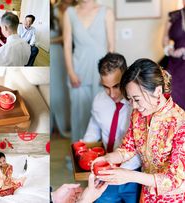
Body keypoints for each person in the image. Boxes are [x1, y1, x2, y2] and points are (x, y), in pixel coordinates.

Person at [92, 58, 185, 202]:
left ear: (158, 91)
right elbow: (128, 148)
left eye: (137, 99)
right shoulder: (139, 114)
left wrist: (129, 176)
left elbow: (176, 179)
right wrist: (107, 158)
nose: (133, 106)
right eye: (130, 99)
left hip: (173, 198)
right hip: (146, 195)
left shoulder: (179, 123)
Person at [83, 53, 141, 203]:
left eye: (116, 86)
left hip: (133, 173)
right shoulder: (99, 101)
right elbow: (94, 129)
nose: (112, 93)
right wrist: (83, 151)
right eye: (106, 87)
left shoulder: (138, 104)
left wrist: (122, 172)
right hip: (106, 171)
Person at [63, 0, 115, 142]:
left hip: (101, 69)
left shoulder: (107, 12)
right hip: (78, 67)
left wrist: (107, 72)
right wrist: (71, 72)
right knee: (79, 114)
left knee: (101, 112)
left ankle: (101, 155)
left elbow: (111, 46)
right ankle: (78, 155)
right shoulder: (70, 13)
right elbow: (67, 45)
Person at [50, 0, 75, 136]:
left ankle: (61, 124)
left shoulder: (56, 13)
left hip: (56, 53)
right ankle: (51, 125)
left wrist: (49, 41)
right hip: (49, 54)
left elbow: (64, 36)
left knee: (59, 88)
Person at [162, 1, 185, 110]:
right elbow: (165, 38)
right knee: (171, 93)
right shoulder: (174, 15)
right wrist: (171, 51)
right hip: (174, 63)